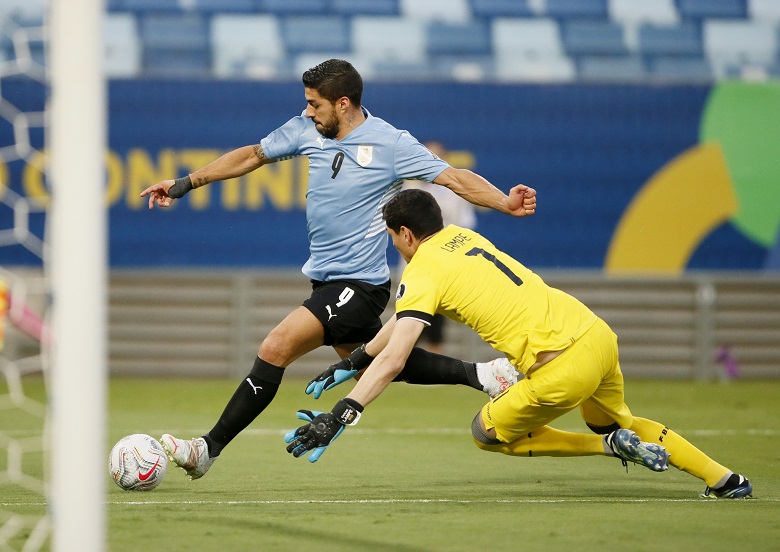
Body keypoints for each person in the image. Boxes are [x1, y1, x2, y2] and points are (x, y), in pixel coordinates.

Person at [139, 59, 536, 480]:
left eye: (315, 104)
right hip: (325, 281)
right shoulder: (307, 130)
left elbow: (453, 177)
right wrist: (185, 184)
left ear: (343, 103)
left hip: (360, 284)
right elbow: (252, 155)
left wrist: (504, 203)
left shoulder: (391, 143)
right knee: (372, 363)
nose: (308, 112)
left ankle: (207, 448)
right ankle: (485, 374)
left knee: (276, 347)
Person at [285, 189, 753, 500]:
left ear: (405, 234)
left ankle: (609, 447)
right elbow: (396, 328)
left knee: (487, 433)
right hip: (595, 335)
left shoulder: (422, 267)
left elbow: (396, 357)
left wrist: (341, 414)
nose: (396, 248)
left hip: (560, 367)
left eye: (393, 240)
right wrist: (357, 358)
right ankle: (725, 479)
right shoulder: (461, 237)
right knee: (613, 418)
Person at [401, 140, 477, 354]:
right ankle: (402, 364)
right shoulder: (409, 188)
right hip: (415, 263)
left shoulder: (455, 193)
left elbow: (465, 225)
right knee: (410, 315)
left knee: (437, 318)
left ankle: (434, 366)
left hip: (443, 261)